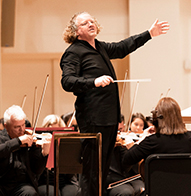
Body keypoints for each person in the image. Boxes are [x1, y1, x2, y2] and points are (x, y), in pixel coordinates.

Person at [60, 11, 169, 196]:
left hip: (109, 118)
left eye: (92, 21)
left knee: (102, 170)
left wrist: (149, 34)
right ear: (76, 31)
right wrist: (93, 82)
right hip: (93, 119)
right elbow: (67, 81)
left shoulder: (99, 47)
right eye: (85, 23)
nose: (91, 24)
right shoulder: (73, 52)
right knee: (92, 170)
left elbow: (122, 47)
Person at [122, 97, 191, 194]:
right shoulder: (190, 139)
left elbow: (126, 160)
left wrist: (141, 140)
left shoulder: (152, 141)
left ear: (157, 119)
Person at [0, 105, 51, 196]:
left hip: (21, 184)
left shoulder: (30, 140)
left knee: (30, 193)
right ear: (6, 126)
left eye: (23, 125)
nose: (22, 130)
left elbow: (37, 170)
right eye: (17, 127)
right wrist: (18, 141)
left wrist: (44, 154)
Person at [38, 114, 80, 196]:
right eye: (50, 132)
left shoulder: (67, 145)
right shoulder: (40, 144)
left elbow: (71, 172)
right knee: (52, 193)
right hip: (46, 181)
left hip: (66, 181)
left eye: (56, 132)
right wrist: (44, 154)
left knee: (71, 193)